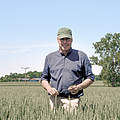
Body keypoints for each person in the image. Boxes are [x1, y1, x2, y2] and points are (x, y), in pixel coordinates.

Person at [41, 27, 94, 112]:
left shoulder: (81, 56)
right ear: (57, 40)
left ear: (72, 40)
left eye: (67, 39)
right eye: (62, 39)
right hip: (54, 100)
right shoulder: (50, 57)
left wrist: (78, 87)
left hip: (73, 101)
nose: (65, 42)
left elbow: (90, 77)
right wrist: (49, 89)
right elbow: (44, 78)